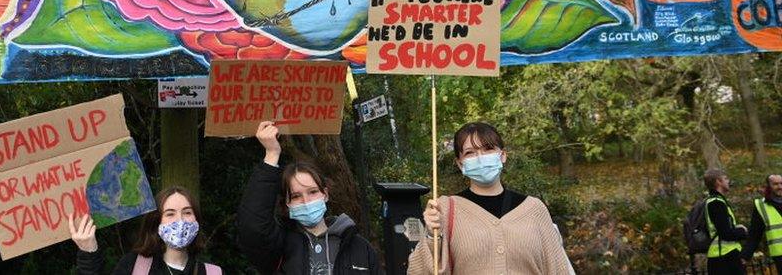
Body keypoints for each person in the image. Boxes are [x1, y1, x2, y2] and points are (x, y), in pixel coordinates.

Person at [408, 122, 571, 274]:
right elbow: (418, 271)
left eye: (488, 149)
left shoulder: (534, 209)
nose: (480, 157)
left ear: (502, 155)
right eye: (470, 153)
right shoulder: (445, 209)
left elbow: (558, 268)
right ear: (460, 164)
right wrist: (431, 236)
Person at [237, 121, 384, 274]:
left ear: (325, 194)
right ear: (287, 204)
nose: (306, 201)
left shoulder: (360, 247)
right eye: (296, 196)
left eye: (313, 192)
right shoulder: (278, 246)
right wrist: (272, 154)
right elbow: (252, 226)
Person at [70, 186, 222, 275]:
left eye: (187, 212)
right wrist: (89, 252)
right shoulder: (135, 266)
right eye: (170, 214)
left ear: (197, 219)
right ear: (156, 222)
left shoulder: (212, 273)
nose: (180, 220)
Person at [703, 168, 748, 274]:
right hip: (724, 258)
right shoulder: (716, 203)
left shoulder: (715, 201)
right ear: (718, 181)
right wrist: (743, 231)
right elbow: (725, 233)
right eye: (726, 178)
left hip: (723, 256)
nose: (728, 181)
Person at [741, 174, 782, 272]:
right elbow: (755, 234)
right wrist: (745, 255)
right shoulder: (761, 206)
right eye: (775, 184)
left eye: (781, 183)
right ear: (768, 186)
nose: (780, 187)